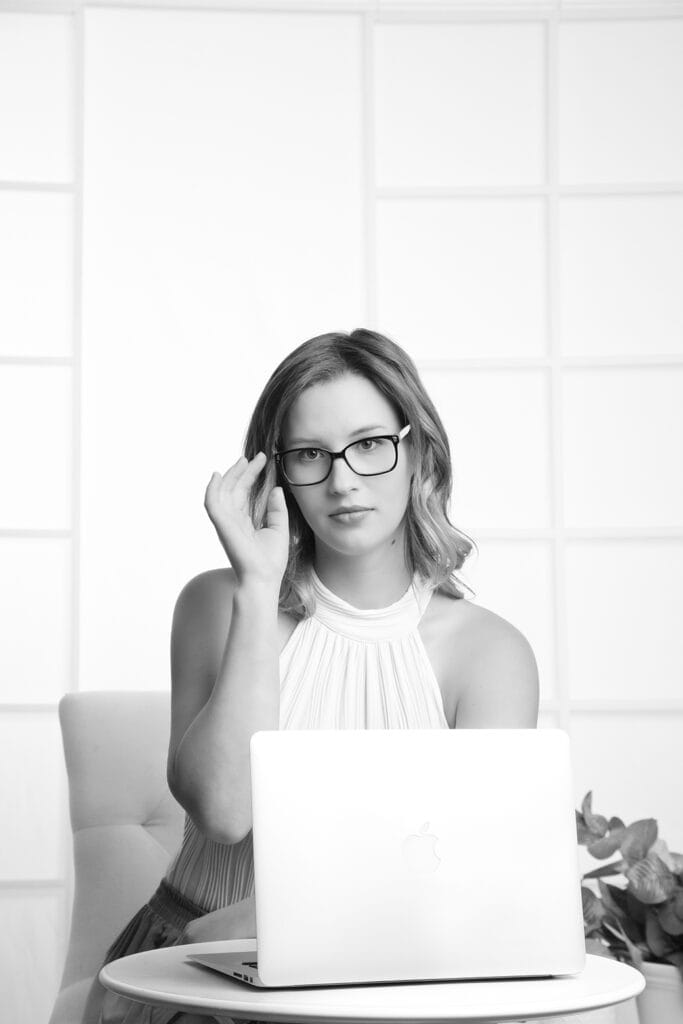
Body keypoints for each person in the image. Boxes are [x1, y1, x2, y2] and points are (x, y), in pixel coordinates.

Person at [88, 328, 539, 1024]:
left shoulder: (490, 654)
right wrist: (257, 584)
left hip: (385, 979)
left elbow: (464, 882)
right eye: (309, 454)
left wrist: (274, 921)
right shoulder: (216, 601)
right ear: (277, 473)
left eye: (369, 444)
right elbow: (223, 813)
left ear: (418, 451)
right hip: (193, 971)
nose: (342, 480)